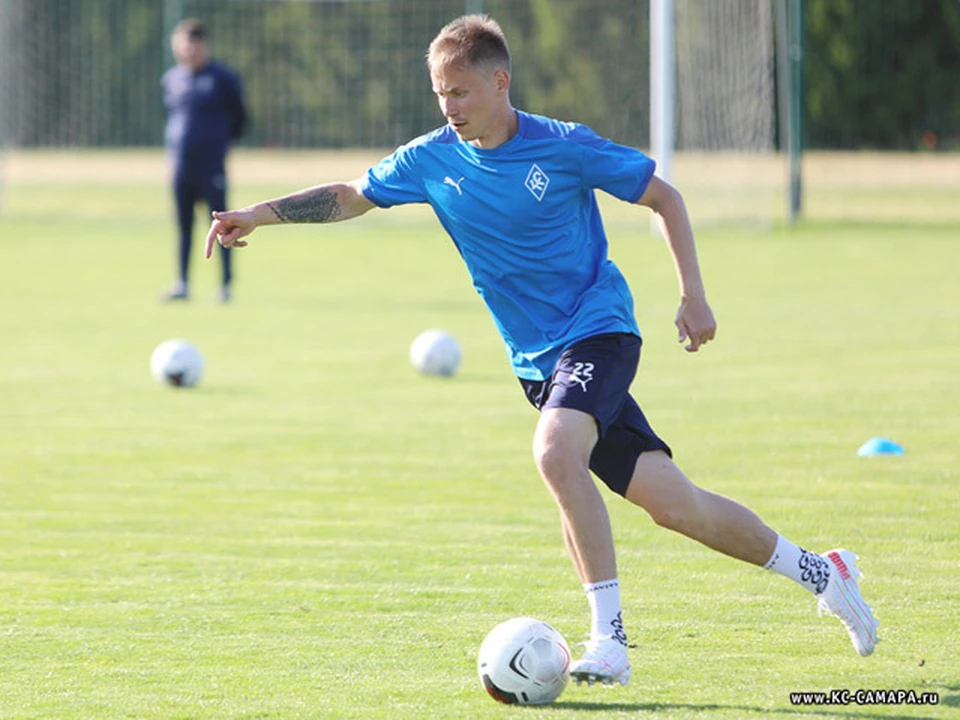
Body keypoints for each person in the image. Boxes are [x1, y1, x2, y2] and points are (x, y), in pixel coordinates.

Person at [204, 15, 879, 687]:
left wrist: (692, 295)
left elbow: (664, 197)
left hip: (600, 330)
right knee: (676, 505)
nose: (450, 108)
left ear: (500, 82)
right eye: (441, 95)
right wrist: (256, 215)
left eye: (461, 93)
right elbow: (352, 195)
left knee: (555, 453)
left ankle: (608, 642)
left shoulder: (563, 146)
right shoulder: (433, 157)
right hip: (538, 363)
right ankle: (826, 574)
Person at [162, 18, 247, 303]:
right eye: (182, 45)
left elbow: (241, 119)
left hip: (211, 167)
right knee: (183, 225)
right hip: (180, 167)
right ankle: (182, 283)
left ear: (203, 45)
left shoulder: (223, 79)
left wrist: (216, 145)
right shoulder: (171, 79)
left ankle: (225, 286)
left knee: (223, 224)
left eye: (193, 45)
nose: (188, 51)